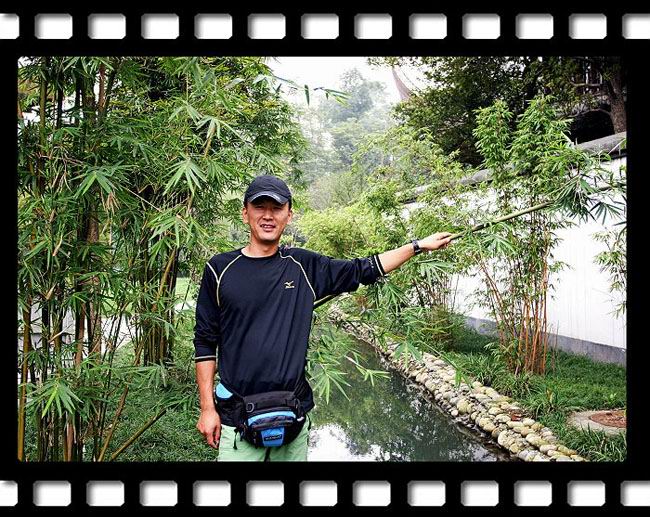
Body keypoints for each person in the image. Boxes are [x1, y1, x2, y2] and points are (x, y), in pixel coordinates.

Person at [193, 174, 452, 461]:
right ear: (245, 213)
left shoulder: (303, 266)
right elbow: (205, 342)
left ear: (289, 215)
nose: (268, 216)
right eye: (259, 207)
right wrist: (207, 408)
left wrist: (417, 246)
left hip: (292, 414)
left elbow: (362, 269)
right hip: (237, 417)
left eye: (277, 208)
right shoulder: (220, 269)